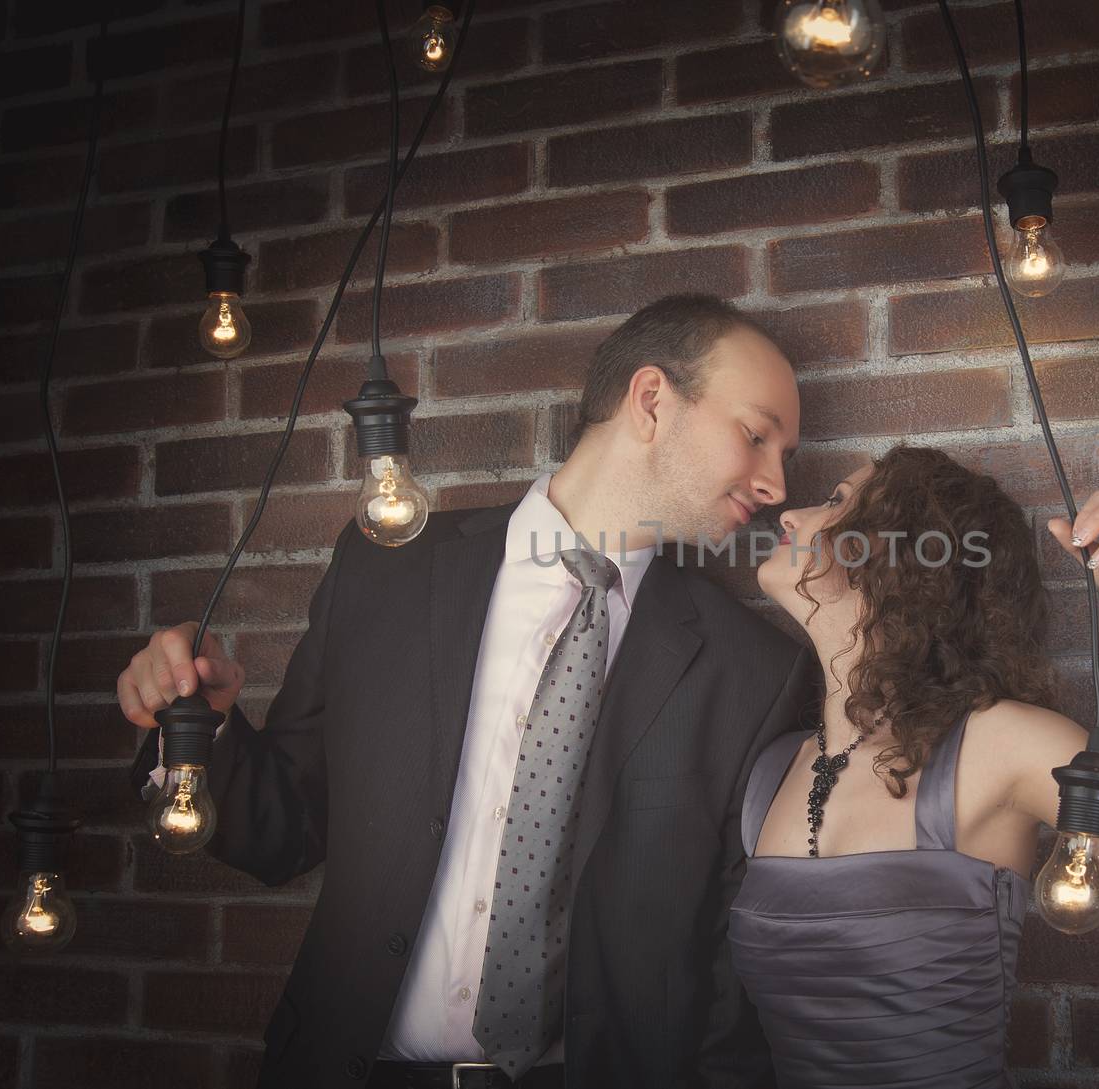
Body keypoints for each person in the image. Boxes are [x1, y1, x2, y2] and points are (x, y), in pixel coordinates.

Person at [117, 294, 816, 1089]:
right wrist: (195, 731)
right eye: (757, 436)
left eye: (786, 455)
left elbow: (728, 991)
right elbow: (281, 831)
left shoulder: (754, 671)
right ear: (651, 400)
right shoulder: (389, 571)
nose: (775, 483)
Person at [735, 445, 1099, 1089]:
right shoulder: (770, 772)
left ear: (905, 554)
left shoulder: (997, 746)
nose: (791, 515)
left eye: (834, 503)